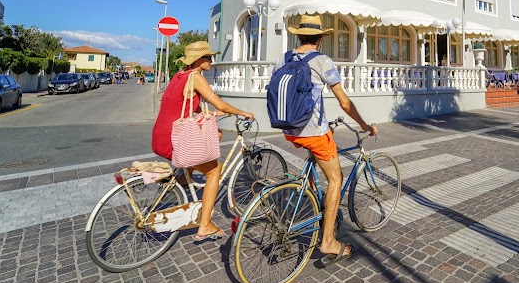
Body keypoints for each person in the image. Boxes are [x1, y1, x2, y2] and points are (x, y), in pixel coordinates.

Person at [272, 14, 378, 265]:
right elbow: (343, 102)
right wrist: (364, 125)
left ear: (298, 35)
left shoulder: (282, 58)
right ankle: (329, 240)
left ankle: (313, 202)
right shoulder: (322, 60)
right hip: (313, 131)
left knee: (314, 162)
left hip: (288, 128)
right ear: (321, 38)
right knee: (335, 179)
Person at [152, 41, 254, 240]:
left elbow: (183, 103)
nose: (211, 60)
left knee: (213, 136)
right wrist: (244, 112)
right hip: (175, 140)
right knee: (215, 170)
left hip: (161, 135)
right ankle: (205, 225)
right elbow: (219, 103)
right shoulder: (195, 77)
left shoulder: (179, 75)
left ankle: (181, 180)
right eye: (208, 57)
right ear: (199, 60)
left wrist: (208, 114)